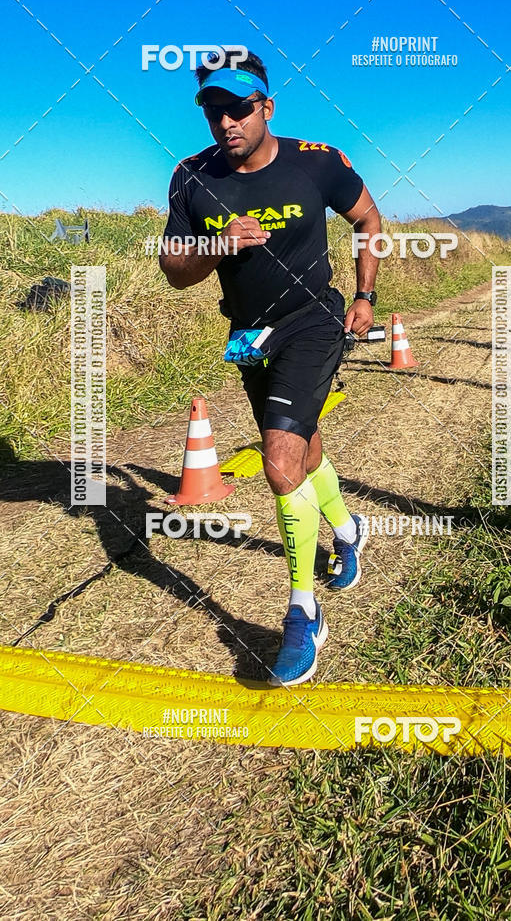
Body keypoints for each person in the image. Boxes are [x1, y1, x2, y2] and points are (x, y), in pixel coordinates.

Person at [159, 49, 381, 686]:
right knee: (305, 453)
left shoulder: (318, 162)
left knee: (279, 459)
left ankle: (301, 611)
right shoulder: (190, 178)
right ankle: (348, 529)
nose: (227, 122)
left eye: (240, 108)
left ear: (267, 107)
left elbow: (367, 218)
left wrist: (365, 296)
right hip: (249, 334)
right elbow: (174, 271)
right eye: (214, 110)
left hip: (315, 320)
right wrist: (215, 245)